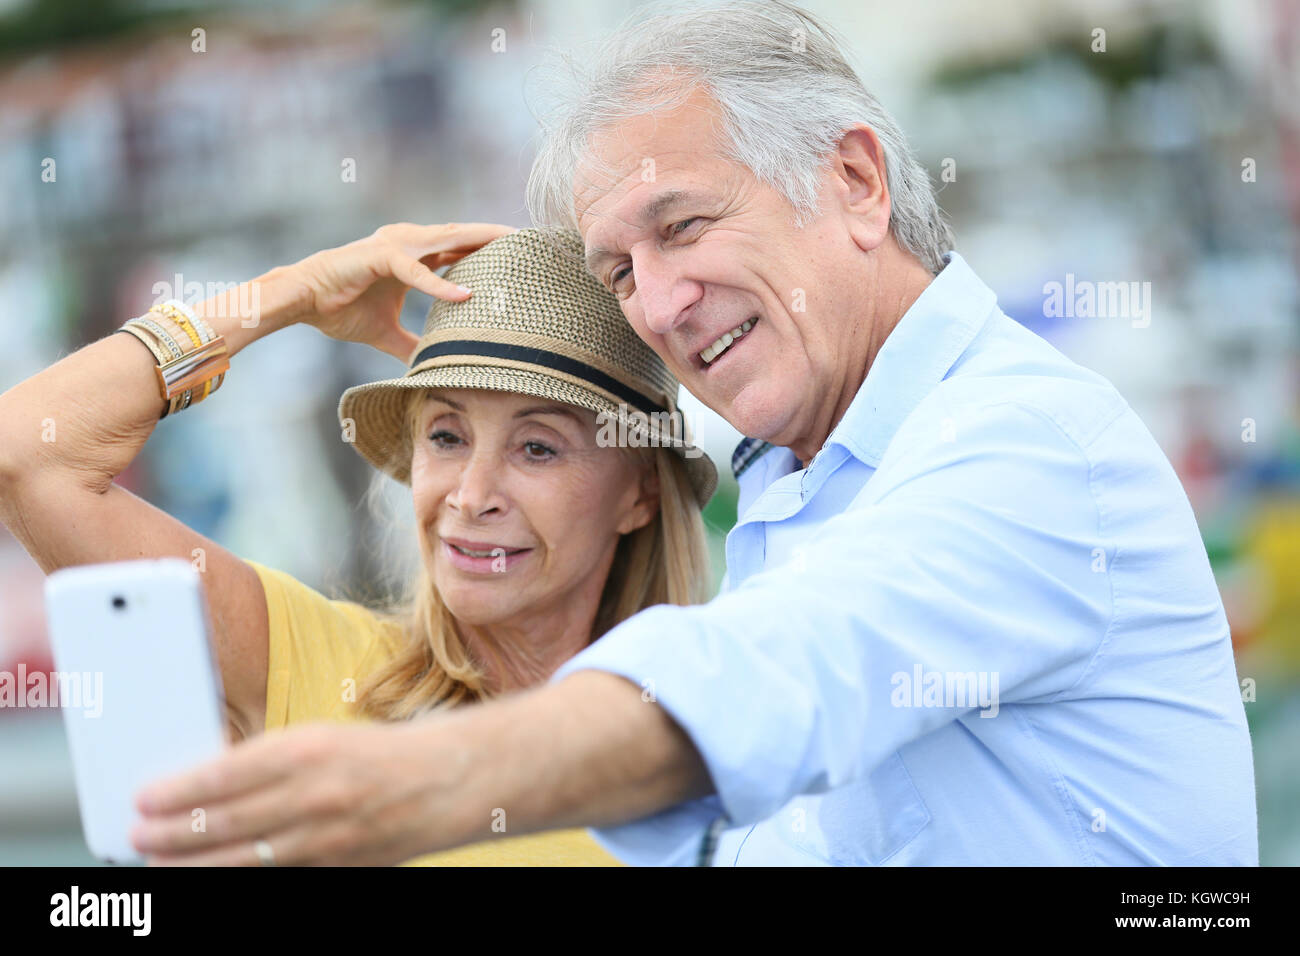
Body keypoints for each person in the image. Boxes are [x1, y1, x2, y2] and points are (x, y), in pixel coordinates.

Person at [124, 0, 1257, 867]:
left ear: (857, 181)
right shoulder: (800, 480)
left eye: (685, 226)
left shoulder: (1025, 442)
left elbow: (777, 672)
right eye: (619, 270)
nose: (658, 305)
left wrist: (407, 780)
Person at [0, 224, 716, 866]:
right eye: (446, 436)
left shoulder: (720, 736)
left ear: (640, 493)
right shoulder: (318, 659)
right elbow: (28, 453)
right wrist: (292, 294)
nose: (471, 494)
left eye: (537, 448)